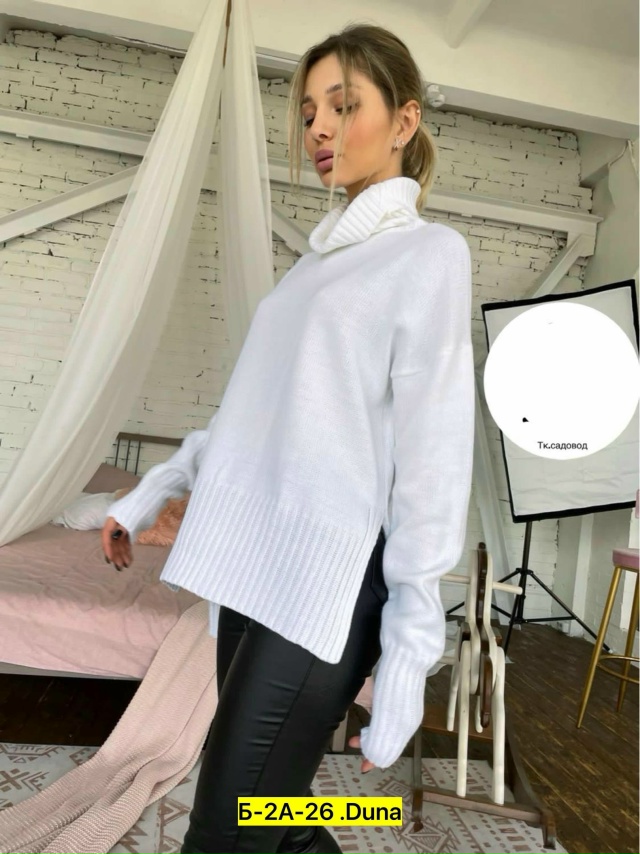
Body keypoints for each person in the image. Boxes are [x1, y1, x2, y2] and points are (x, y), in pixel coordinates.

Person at [102, 22, 475, 854]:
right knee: (273, 811)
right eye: (308, 112)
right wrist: (155, 488)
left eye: (344, 106)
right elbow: (255, 415)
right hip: (259, 563)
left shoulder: (429, 256)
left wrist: (412, 648)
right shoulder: (312, 269)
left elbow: (437, 458)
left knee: (223, 829)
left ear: (405, 121)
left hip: (332, 578)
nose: (319, 129)